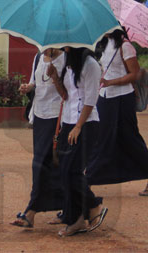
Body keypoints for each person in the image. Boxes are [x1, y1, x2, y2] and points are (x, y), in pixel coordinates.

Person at [86, 29, 148, 196]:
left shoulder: (125, 46)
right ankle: (89, 179)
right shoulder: (105, 44)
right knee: (102, 137)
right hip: (105, 96)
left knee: (129, 138)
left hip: (122, 98)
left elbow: (134, 74)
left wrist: (110, 82)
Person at [47, 47, 107, 237]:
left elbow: (91, 99)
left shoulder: (91, 65)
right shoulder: (69, 64)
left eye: (66, 45)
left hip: (86, 124)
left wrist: (79, 126)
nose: (63, 48)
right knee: (65, 172)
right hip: (68, 122)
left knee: (73, 170)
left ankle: (92, 205)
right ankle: (77, 219)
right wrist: (56, 77)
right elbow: (66, 96)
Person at [10, 48, 66, 228]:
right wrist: (27, 87)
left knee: (43, 164)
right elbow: (34, 82)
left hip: (57, 117)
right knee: (48, 165)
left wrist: (56, 77)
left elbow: (67, 94)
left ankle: (31, 211)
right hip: (40, 116)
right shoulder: (38, 57)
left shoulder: (66, 60)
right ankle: (69, 207)